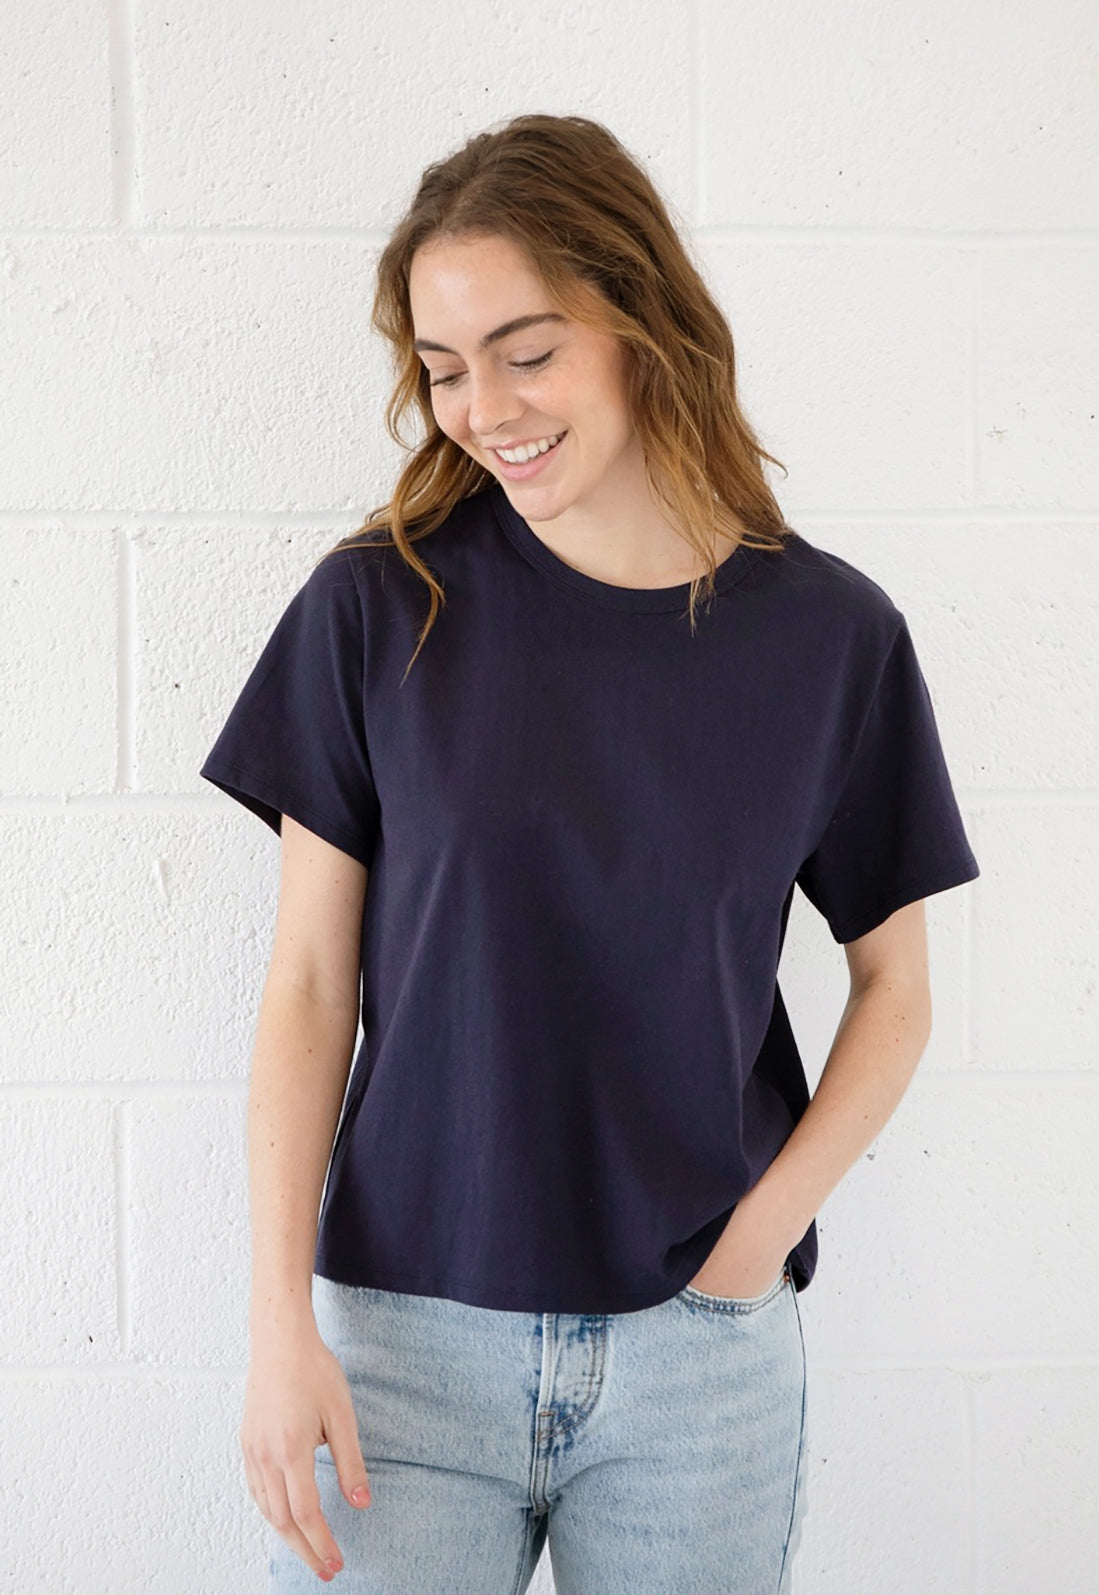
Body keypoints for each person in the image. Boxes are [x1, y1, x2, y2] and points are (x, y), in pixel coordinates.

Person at [199, 112, 980, 1594]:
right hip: (406, 1353)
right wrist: (276, 1325)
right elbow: (305, 985)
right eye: (443, 367)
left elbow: (897, 989)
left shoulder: (829, 638)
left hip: (699, 1363)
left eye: (527, 351)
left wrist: (751, 1247)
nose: (482, 408)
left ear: (640, 322)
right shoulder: (377, 610)